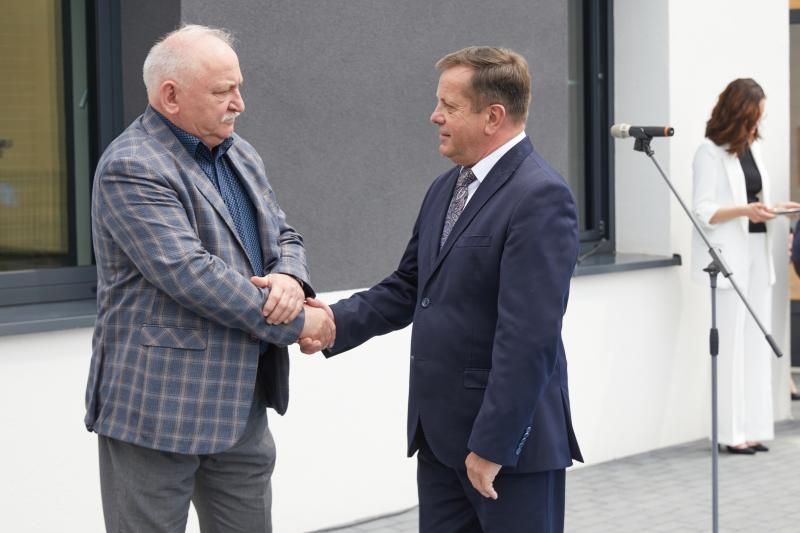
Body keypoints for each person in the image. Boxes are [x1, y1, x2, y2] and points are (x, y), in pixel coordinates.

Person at [298, 46, 582, 533]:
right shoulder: (445, 189)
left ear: (493, 116)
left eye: (449, 106)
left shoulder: (540, 196)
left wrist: (493, 445)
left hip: (505, 453)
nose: (435, 116)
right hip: (440, 440)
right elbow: (410, 287)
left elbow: (528, 336)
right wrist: (332, 322)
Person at [84, 25, 334, 532]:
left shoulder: (240, 153)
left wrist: (290, 278)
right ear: (170, 96)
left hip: (242, 403)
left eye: (238, 87)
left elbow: (283, 234)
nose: (239, 103)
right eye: (223, 91)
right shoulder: (132, 165)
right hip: (157, 408)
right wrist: (300, 324)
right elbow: (191, 273)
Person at [691, 78, 799, 455]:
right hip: (729, 257)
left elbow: (754, 199)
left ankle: (752, 427)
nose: (757, 125)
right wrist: (745, 210)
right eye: (754, 117)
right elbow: (703, 211)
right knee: (732, 345)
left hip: (758, 251)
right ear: (739, 114)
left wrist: (776, 209)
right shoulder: (709, 153)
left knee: (755, 340)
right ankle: (729, 433)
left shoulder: (751, 148)